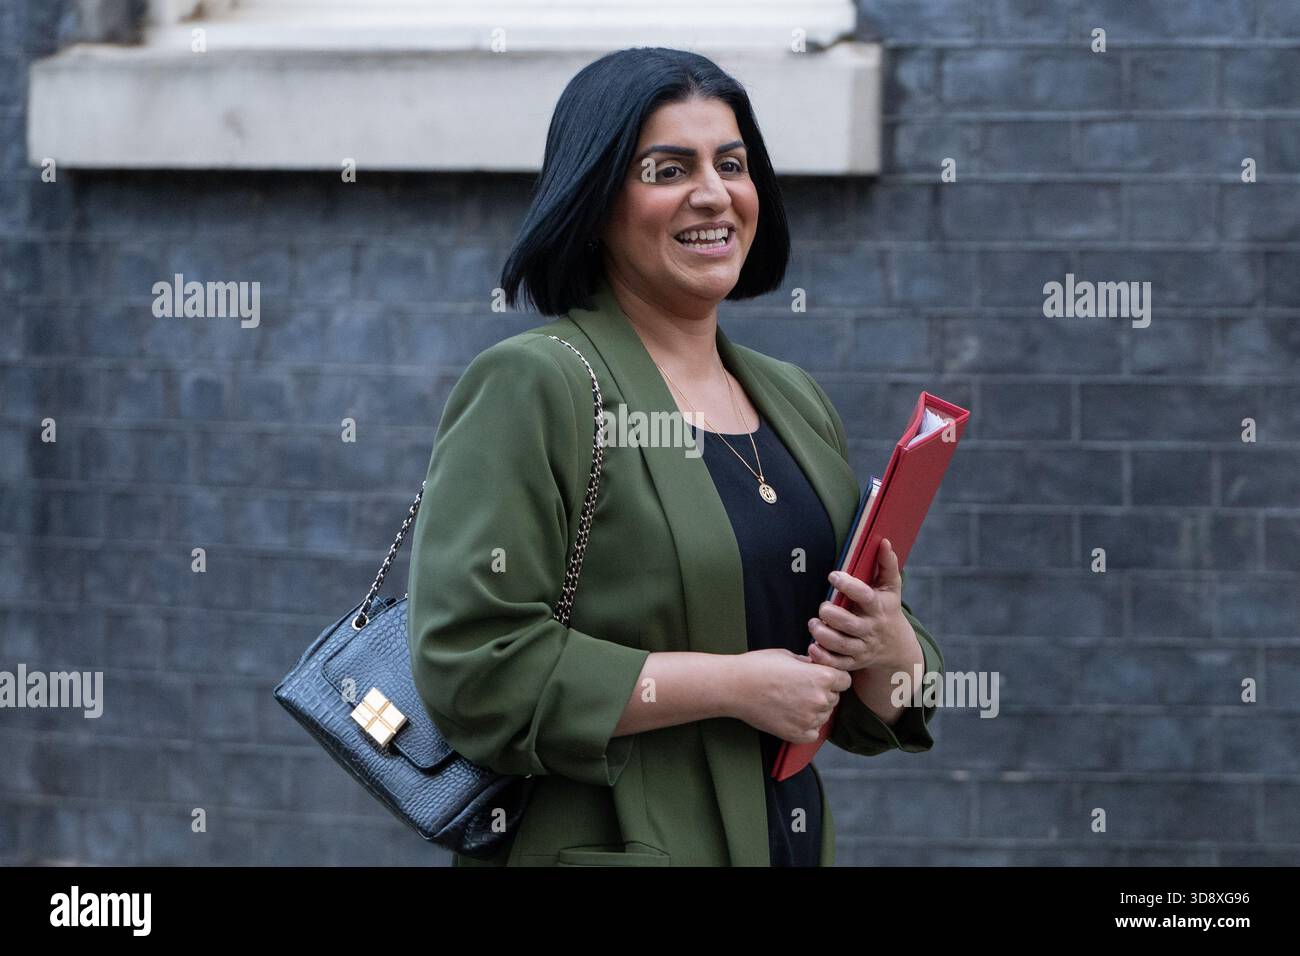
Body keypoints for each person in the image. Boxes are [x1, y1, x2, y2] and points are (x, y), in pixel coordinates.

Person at [406, 46, 943, 867]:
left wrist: (888, 647)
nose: (713, 193)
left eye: (732, 163)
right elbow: (472, 669)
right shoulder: (536, 385)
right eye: (668, 168)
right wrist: (733, 685)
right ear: (596, 201)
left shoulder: (790, 398)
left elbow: (878, 707)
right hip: (618, 841)